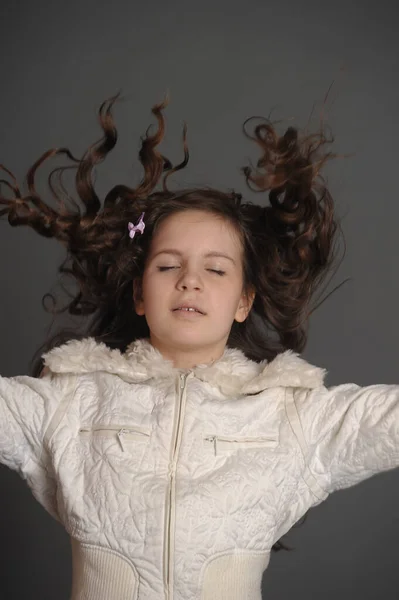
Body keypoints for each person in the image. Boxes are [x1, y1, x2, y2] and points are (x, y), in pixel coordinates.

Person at [1, 92, 398, 600]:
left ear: (242, 301)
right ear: (140, 295)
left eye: (215, 269)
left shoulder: (289, 412)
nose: (190, 281)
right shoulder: (73, 399)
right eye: (168, 266)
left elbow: (384, 420)